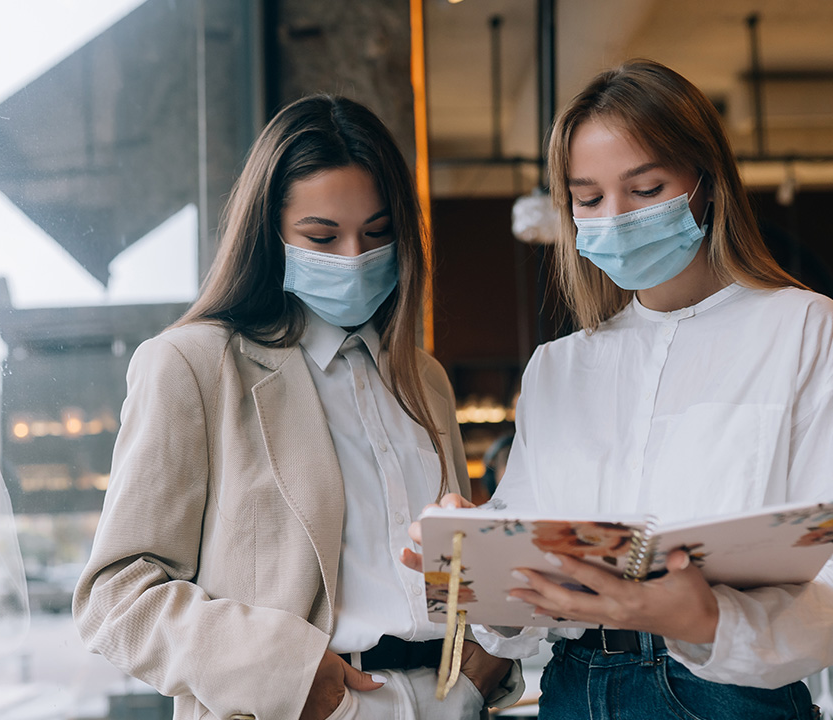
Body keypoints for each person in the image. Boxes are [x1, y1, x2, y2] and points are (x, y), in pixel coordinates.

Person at [405, 59, 833, 719]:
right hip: (574, 687)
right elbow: (516, 613)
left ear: (708, 183)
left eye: (644, 188)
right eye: (588, 198)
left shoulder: (805, 330)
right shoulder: (559, 367)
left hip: (726, 694)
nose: (615, 217)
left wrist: (711, 622)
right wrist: (474, 562)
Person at [73, 94, 517, 720]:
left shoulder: (425, 379)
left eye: (378, 233)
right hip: (305, 705)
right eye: (322, 235)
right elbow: (113, 597)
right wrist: (289, 673)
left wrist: (482, 664)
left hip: (450, 701)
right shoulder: (194, 366)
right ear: (271, 233)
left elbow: (443, 564)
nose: (354, 257)